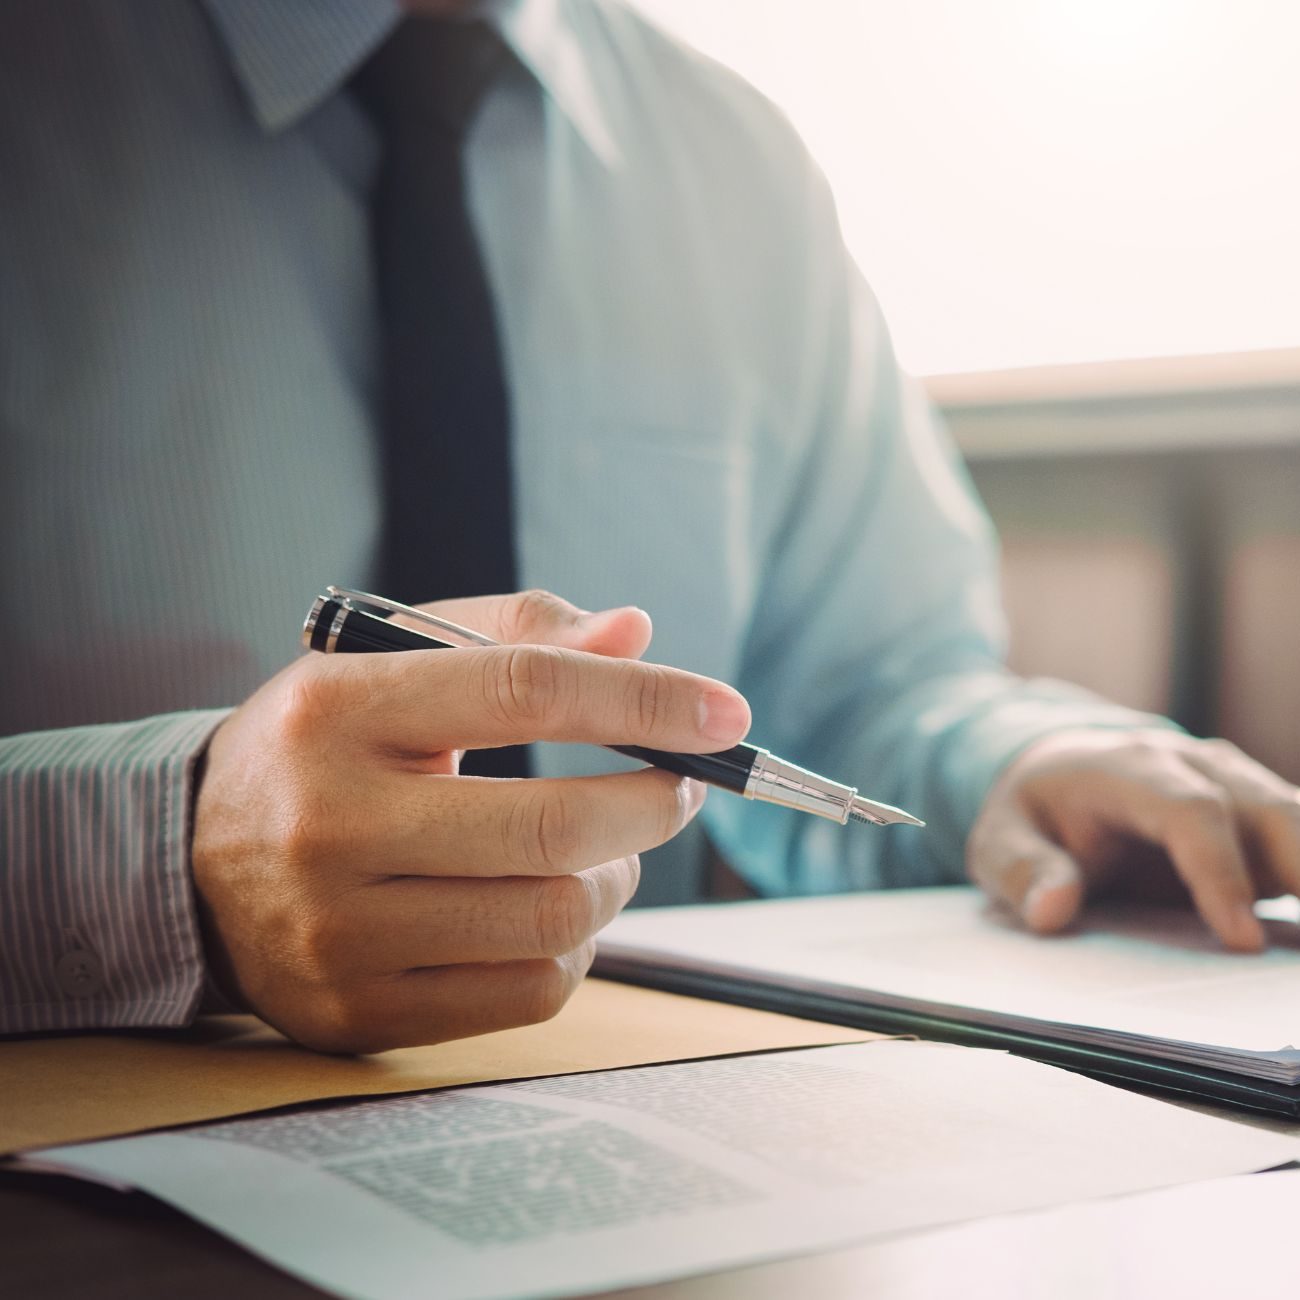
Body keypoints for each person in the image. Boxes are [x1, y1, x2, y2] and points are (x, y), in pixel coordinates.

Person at [3, 0, 1297, 1054]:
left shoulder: (738, 163)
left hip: (625, 1122)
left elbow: (865, 688)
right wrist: (151, 863)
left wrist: (1014, 766)